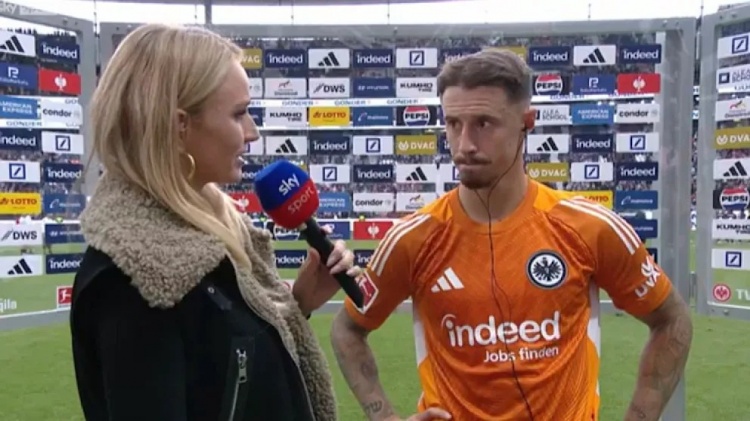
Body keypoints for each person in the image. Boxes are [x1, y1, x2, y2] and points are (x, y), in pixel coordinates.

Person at [331, 49, 693, 421]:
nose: (465, 145)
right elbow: (347, 329)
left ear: (526, 122)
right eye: (453, 124)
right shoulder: (413, 239)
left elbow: (671, 319)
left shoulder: (589, 227)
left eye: (484, 124)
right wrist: (385, 417)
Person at [70, 24, 359, 421]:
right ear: (179, 127)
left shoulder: (212, 237)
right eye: (239, 114)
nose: (252, 132)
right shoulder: (133, 280)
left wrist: (297, 304)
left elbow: (231, 379)